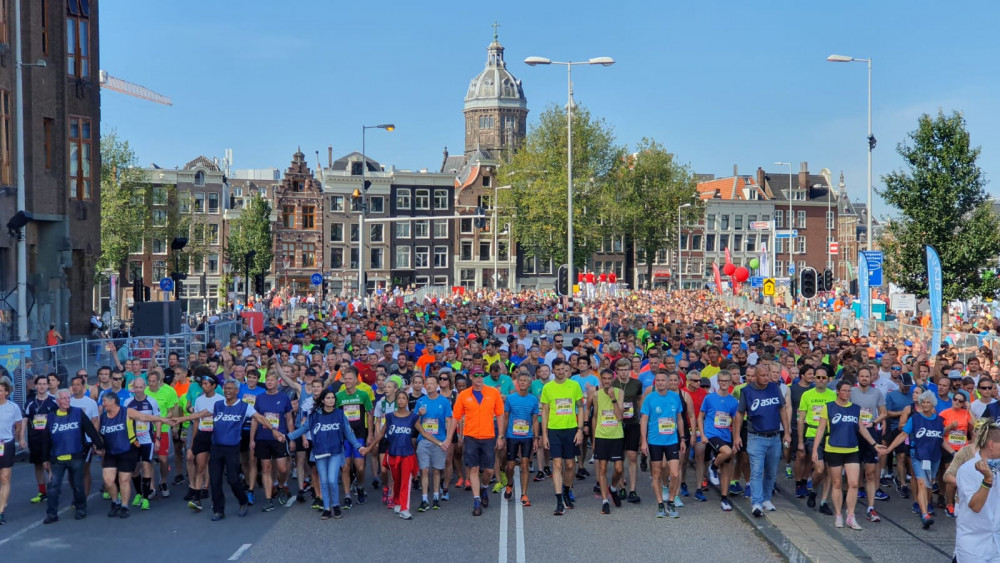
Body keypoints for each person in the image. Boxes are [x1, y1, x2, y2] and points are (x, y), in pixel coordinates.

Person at [176, 379, 284, 520]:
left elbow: (259, 418)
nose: (227, 391)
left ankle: (242, 500)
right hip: (216, 447)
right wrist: (180, 419)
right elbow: (200, 414)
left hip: (232, 449)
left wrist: (273, 430)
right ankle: (218, 510)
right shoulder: (218, 405)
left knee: (233, 480)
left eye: (230, 389)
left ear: (237, 391)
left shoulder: (244, 407)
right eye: (226, 388)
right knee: (215, 480)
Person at [811, 380, 884, 530]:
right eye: (844, 391)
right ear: (837, 391)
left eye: (849, 391)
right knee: (837, 483)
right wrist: (814, 450)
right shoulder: (829, 407)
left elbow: (862, 429)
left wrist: (874, 444)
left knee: (854, 483)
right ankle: (838, 515)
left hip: (851, 449)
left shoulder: (855, 408)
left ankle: (850, 516)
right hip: (833, 449)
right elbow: (820, 429)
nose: (846, 393)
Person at [287, 388, 364, 520]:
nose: (331, 400)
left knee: (332, 480)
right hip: (319, 452)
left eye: (332, 398)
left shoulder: (340, 414)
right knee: (323, 481)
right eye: (328, 398)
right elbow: (303, 429)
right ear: (322, 400)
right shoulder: (314, 415)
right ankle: (327, 508)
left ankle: (336, 506)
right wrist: (288, 437)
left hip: (335, 451)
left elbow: (348, 432)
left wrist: (358, 446)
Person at [98, 392, 170, 519]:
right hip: (110, 453)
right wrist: (98, 446)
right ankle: (116, 502)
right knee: (108, 481)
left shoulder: (127, 412)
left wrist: (161, 419)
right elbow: (100, 434)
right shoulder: (103, 417)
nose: (103, 404)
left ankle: (125, 506)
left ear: (112, 401)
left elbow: (145, 417)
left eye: (104, 401)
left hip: (127, 450)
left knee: (124, 480)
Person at [734, 364, 791, 518]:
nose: (766, 378)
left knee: (772, 472)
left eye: (767, 375)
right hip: (756, 437)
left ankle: (766, 499)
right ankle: (757, 502)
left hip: (774, 436)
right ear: (755, 376)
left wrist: (786, 432)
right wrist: (737, 436)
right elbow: (739, 414)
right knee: (757, 471)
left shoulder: (774, 388)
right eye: (763, 376)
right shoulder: (747, 391)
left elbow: (782, 409)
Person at [885, 390, 946, 529]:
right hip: (918, 455)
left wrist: (955, 455)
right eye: (923, 402)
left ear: (933, 404)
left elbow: (941, 440)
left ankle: (927, 504)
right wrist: (889, 449)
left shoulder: (939, 420)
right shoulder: (915, 419)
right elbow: (902, 435)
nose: (925, 405)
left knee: (929, 484)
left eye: (928, 402)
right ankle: (924, 514)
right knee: (921, 482)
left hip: (934, 456)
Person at [43, 389, 105, 524]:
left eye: (68, 398)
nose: (66, 401)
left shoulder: (78, 413)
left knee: (78, 485)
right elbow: (46, 439)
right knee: (53, 486)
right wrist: (45, 459)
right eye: (63, 399)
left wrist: (99, 445)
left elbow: (90, 429)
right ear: (57, 401)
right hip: (57, 458)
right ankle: (51, 514)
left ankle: (81, 509)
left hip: (76, 455)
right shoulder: (51, 416)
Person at [452, 367, 505, 516]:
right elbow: (456, 417)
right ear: (471, 377)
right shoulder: (464, 395)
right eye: (476, 375)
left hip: (488, 436)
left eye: (481, 375)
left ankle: (484, 487)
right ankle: (476, 501)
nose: (479, 377)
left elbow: (500, 414)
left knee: (488, 470)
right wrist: (450, 438)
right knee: (474, 469)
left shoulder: (493, 392)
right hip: (471, 437)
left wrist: (500, 436)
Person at [365, 390, 420, 520]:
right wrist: (369, 448)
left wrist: (440, 443)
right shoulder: (389, 417)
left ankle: (404, 508)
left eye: (404, 398)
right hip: (393, 454)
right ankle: (396, 501)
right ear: (396, 401)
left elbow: (423, 432)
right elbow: (381, 434)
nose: (401, 400)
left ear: (407, 401)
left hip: (407, 454)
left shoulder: (413, 417)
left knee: (406, 481)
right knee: (397, 480)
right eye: (399, 398)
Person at [541, 358, 584, 516]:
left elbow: (580, 407)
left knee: (570, 465)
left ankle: (567, 490)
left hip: (571, 429)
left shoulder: (574, 385)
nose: (560, 371)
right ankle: (559, 500)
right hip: (554, 430)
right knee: (557, 465)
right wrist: (544, 434)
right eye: (557, 369)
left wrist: (580, 429)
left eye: (563, 369)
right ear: (553, 370)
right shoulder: (548, 388)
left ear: (567, 370)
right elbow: (544, 411)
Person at [641, 371, 686, 518]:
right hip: (655, 441)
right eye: (658, 380)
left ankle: (671, 501)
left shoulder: (675, 397)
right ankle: (660, 504)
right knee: (657, 473)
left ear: (668, 383)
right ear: (655, 383)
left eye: (663, 380)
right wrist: (643, 441)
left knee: (674, 473)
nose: (660, 383)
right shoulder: (650, 398)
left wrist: (683, 438)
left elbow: (679, 419)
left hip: (672, 441)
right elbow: (644, 420)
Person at [954, 420, 1000, 562]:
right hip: (973, 546)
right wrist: (987, 479)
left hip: (996, 543)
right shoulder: (968, 469)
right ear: (991, 444)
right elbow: (976, 506)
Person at [250, 371, 295, 511]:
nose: (269, 382)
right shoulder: (260, 398)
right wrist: (252, 439)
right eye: (267, 380)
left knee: (282, 468)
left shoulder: (284, 397)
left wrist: (291, 438)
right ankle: (268, 499)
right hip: (263, 438)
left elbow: (289, 419)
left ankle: (281, 486)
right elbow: (255, 419)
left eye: (272, 380)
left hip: (280, 438)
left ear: (278, 382)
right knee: (266, 468)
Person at [850, 366, 890, 522]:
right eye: (862, 376)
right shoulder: (852, 392)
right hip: (854, 433)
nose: (864, 378)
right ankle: (850, 503)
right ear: (858, 377)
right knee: (852, 469)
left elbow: (884, 413)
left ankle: (871, 507)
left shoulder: (877, 393)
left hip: (871, 432)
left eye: (867, 376)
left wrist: (874, 422)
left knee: (870, 472)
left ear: (871, 378)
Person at [797, 366, 836, 515]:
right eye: (818, 377)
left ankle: (823, 501)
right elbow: (801, 419)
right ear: (814, 379)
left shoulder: (833, 395)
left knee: (829, 471)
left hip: (830, 436)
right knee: (819, 469)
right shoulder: (807, 395)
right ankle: (813, 490)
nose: (820, 380)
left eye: (823, 378)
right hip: (813, 433)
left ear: (827, 379)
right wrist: (800, 441)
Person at [414, 373, 454, 512]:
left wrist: (448, 439)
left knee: (437, 471)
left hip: (440, 440)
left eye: (432, 383)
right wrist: (419, 414)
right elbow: (415, 421)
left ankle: (436, 496)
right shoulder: (421, 401)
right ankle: (424, 499)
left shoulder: (444, 401)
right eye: (428, 383)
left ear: (437, 385)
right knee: (424, 470)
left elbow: (449, 421)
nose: (429, 385)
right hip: (423, 440)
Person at [699, 370, 738, 511]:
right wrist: (703, 434)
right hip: (712, 433)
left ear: (730, 382)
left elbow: (735, 421)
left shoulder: (733, 401)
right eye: (721, 381)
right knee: (726, 452)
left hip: (726, 435)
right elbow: (700, 416)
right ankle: (713, 467)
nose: (724, 383)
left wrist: (735, 440)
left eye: (726, 381)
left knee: (727, 469)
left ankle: (724, 499)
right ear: (718, 382)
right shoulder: (709, 398)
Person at [589, 368, 624, 514]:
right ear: (601, 380)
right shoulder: (596, 395)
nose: (607, 381)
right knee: (602, 468)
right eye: (605, 379)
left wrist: (613, 398)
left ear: (613, 379)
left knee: (618, 469)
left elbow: (620, 416)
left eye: (610, 379)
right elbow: (595, 416)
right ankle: (605, 501)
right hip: (602, 435)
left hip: (616, 435)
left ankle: (613, 488)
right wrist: (594, 438)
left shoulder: (619, 392)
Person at [503, 371, 540, 507]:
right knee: (510, 466)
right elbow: (506, 418)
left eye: (526, 380)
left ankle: (524, 494)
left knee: (525, 465)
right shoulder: (510, 398)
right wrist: (502, 436)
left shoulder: (533, 399)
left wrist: (536, 438)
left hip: (527, 436)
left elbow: (535, 420)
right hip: (512, 436)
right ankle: (510, 483)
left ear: (530, 384)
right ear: (517, 383)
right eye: (521, 380)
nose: (523, 382)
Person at [612, 358, 643, 504]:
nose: (623, 373)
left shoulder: (636, 383)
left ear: (629, 370)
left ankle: (633, 489)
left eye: (626, 370)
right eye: (621, 370)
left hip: (633, 423)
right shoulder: (612, 384)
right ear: (617, 371)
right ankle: (621, 485)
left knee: (632, 455)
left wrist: (642, 418)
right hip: (617, 423)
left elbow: (639, 401)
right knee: (620, 456)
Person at [940, 389, 974, 517]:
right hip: (949, 447)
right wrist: (949, 427)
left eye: (960, 401)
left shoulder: (966, 413)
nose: (957, 402)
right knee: (951, 476)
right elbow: (938, 432)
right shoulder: (945, 413)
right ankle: (949, 504)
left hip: (963, 448)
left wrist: (969, 410)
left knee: (963, 477)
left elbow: (975, 427)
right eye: (955, 400)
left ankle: (960, 503)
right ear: (952, 400)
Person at [24, 375, 57, 504]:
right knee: (38, 465)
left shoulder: (54, 401)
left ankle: (52, 490)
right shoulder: (30, 402)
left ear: (48, 386)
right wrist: (22, 438)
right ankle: (42, 492)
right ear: (36, 386)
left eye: (44, 384)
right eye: (40, 384)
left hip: (50, 438)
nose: (42, 386)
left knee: (49, 465)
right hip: (35, 438)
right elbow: (25, 420)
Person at [0, 377, 23, 525]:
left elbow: (18, 425)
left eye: (0, 390)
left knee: (5, 478)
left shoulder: (13, 407)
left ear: (6, 392)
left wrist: (17, 439)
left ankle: (1, 511)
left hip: (6, 444)